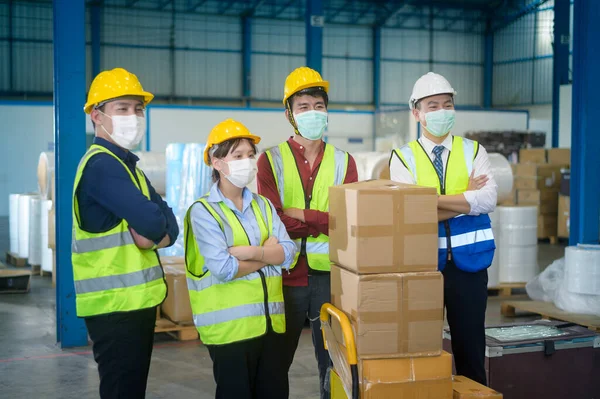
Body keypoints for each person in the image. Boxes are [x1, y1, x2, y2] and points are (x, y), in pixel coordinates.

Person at [73, 67, 179, 398]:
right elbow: (152, 223)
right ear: (96, 115)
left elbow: (169, 226)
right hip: (115, 307)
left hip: (133, 304)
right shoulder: (101, 165)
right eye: (122, 109)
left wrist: (154, 232)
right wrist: (153, 228)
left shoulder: (127, 165)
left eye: (138, 109)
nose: (133, 116)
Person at [389, 72, 497, 386]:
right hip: (423, 267)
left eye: (447, 104)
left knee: (471, 352)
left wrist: (434, 202)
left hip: (471, 265)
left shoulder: (474, 151)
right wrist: (465, 196)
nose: (441, 111)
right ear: (417, 113)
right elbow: (409, 213)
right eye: (432, 105)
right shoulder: (402, 157)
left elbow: (488, 198)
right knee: (423, 351)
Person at [257, 66, 358, 399]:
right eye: (303, 107)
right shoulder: (269, 160)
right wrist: (322, 220)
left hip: (330, 276)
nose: (313, 113)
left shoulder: (345, 162)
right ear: (289, 114)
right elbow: (275, 221)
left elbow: (350, 222)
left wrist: (302, 215)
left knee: (334, 361)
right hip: (285, 275)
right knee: (275, 362)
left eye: (318, 105)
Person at [184, 119, 297, 399]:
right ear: (217, 162)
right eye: (237, 156)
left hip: (270, 325)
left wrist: (251, 252)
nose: (247, 162)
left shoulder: (263, 205)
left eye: (250, 155)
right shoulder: (203, 212)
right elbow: (224, 268)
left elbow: (289, 254)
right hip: (230, 331)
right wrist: (267, 254)